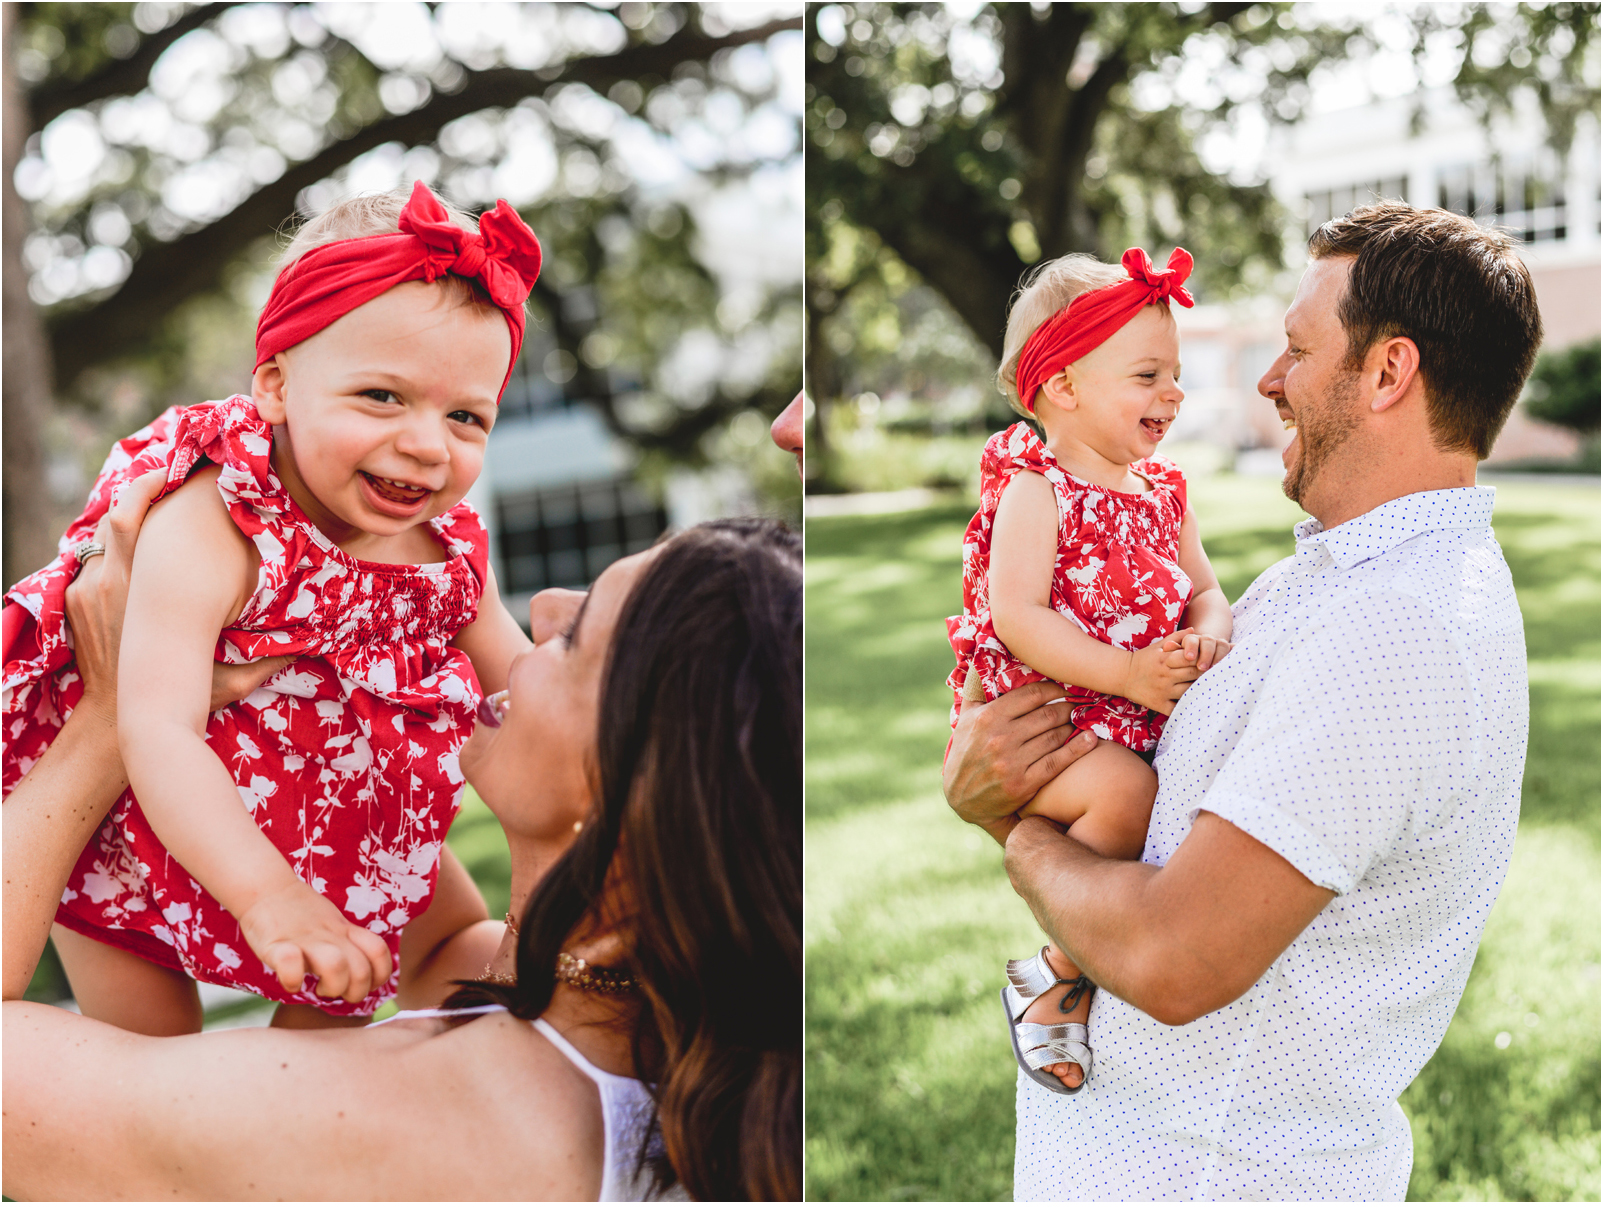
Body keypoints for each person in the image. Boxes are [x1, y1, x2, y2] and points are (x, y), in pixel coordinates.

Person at [943, 202, 1542, 1200]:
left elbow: (1173, 955)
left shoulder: (1401, 628)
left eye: (1295, 349)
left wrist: (1014, 834)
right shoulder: (1332, 582)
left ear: (1387, 372)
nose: (1265, 381)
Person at [2, 472, 804, 1201]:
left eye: (577, 635)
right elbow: (431, 939)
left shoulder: (406, 1119)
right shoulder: (666, 1052)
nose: (542, 606)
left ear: (635, 798)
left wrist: (104, 722)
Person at [1, 181, 540, 1032]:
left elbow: (524, 687)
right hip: (144, 825)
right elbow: (156, 727)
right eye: (382, 397)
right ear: (277, 385)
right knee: (150, 1075)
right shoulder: (220, 516)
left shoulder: (445, 548)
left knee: (406, 978)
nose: (427, 443)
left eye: (466, 416)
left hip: (339, 825)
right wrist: (269, 896)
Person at [946, 247, 1232, 1093]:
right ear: (1063, 386)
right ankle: (1057, 972)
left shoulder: (1164, 492)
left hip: (1130, 700)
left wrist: (1208, 632)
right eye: (1146, 374)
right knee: (1126, 800)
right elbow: (1017, 616)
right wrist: (1127, 674)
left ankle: (1083, 956)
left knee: (1158, 807)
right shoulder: (1039, 491)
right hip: (1052, 710)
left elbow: (1206, 590)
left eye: (1174, 374)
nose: (1171, 393)